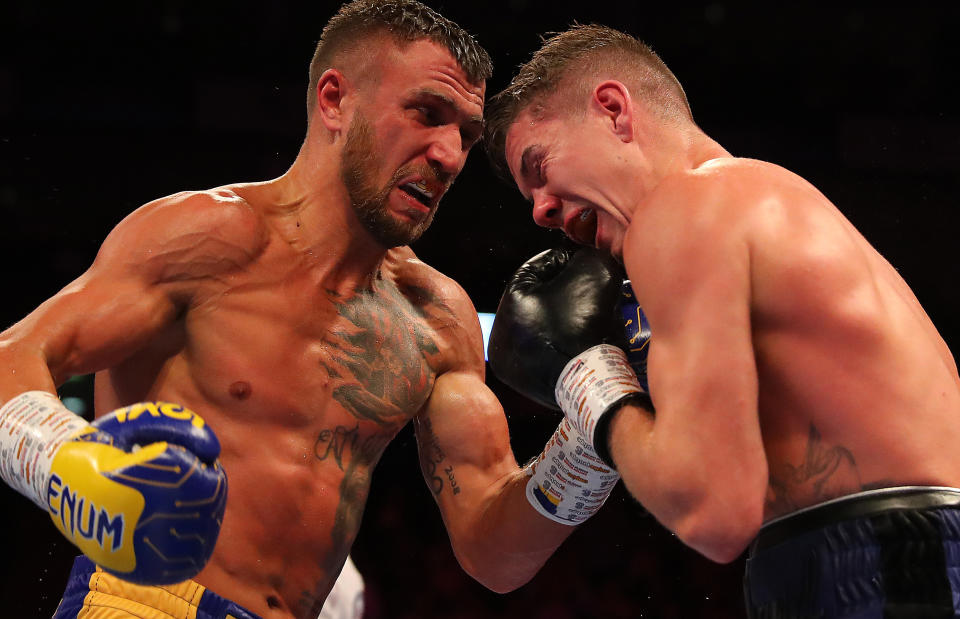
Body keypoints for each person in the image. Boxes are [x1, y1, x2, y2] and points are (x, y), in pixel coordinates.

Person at [0, 3, 621, 618]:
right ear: (334, 100)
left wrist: (587, 444)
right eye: (427, 114)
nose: (450, 155)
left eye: (465, 133)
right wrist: (66, 461)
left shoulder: (437, 320)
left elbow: (494, 554)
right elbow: (13, 355)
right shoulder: (207, 239)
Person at [484, 23, 960, 618]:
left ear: (612, 110)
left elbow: (712, 511)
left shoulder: (682, 210)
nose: (541, 211)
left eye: (540, 165)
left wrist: (588, 382)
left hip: (881, 565)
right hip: (888, 553)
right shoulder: (758, 202)